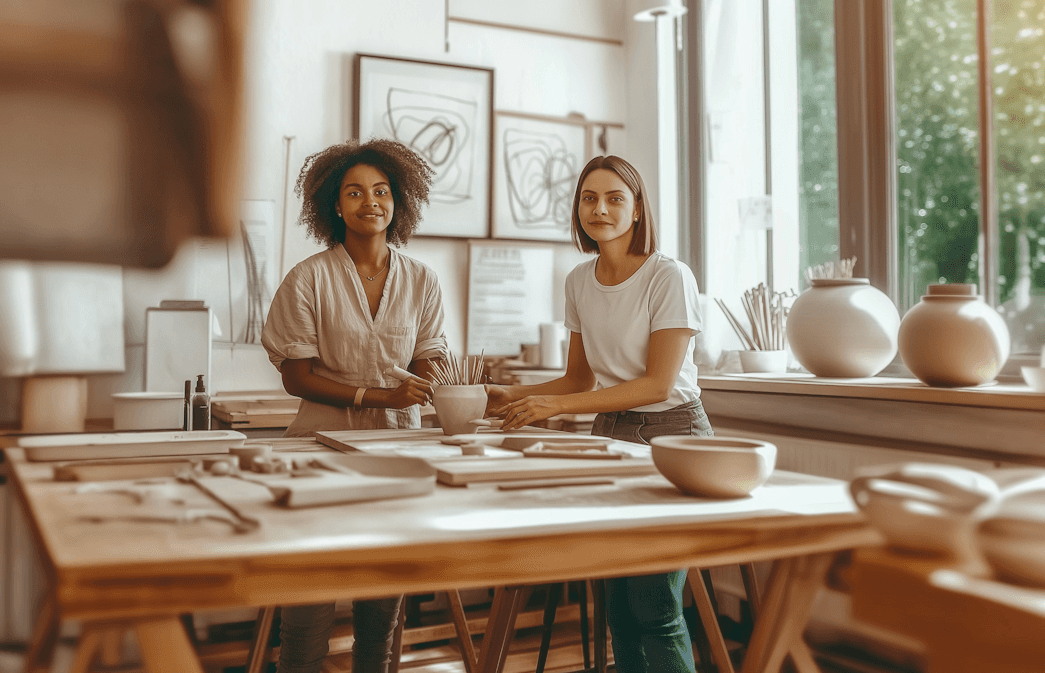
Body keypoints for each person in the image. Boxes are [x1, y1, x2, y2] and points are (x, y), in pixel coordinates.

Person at [487, 154, 712, 673]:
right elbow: (579, 379)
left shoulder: (668, 275)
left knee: (654, 607)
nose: (600, 208)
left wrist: (556, 406)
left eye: (615, 198)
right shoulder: (578, 281)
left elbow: (656, 384)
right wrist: (514, 393)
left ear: (637, 210)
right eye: (589, 197)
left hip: (672, 432)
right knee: (617, 608)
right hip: (609, 432)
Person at [262, 138, 447, 673]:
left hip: (397, 451)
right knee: (309, 601)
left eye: (383, 191)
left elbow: (432, 353)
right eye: (355, 192)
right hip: (320, 453)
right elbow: (297, 377)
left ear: (399, 202)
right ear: (334, 206)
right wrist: (377, 395)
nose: (372, 201)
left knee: (382, 604)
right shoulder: (308, 278)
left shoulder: (423, 280)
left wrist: (429, 380)